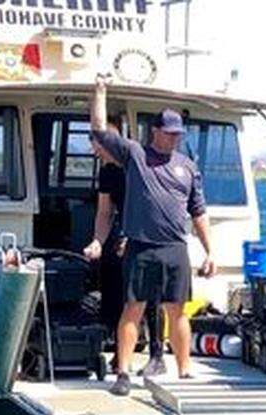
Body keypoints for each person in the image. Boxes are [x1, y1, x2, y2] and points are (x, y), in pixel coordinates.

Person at [89, 75, 216, 395]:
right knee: (133, 308)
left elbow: (198, 211)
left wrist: (210, 251)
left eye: (178, 134)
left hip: (175, 247)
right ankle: (123, 372)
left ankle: (185, 371)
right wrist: (100, 92)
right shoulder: (134, 154)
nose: (174, 139)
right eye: (169, 133)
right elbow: (100, 131)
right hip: (141, 247)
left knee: (177, 310)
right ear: (156, 132)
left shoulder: (188, 167)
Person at [84, 128, 167, 377]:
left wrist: (131, 237)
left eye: (98, 147)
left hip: (150, 231)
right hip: (124, 228)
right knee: (114, 284)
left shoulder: (140, 165)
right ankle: (120, 350)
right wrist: (98, 241)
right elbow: (105, 211)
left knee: (150, 293)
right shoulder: (108, 171)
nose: (95, 152)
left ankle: (157, 355)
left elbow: (154, 205)